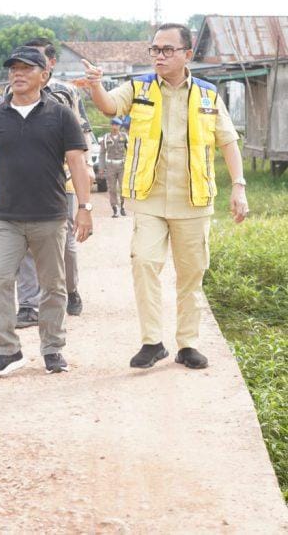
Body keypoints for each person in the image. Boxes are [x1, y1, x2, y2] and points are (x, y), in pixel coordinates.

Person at [82, 23, 249, 370]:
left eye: (167, 49)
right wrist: (96, 86)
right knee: (144, 263)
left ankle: (187, 344)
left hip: (193, 200)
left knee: (191, 274)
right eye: (155, 49)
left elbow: (228, 141)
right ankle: (152, 341)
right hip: (150, 198)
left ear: (187, 53)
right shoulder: (139, 87)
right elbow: (111, 107)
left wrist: (239, 185)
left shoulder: (207, 94)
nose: (159, 55)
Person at [0, 46, 92, 376]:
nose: (18, 74)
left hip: (49, 215)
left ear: (44, 75)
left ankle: (52, 349)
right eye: (13, 69)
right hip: (6, 215)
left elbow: (77, 161)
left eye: (26, 68)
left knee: (53, 285)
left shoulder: (60, 114)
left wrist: (85, 208)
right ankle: (7, 350)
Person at [14, 38, 95, 326]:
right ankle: (27, 305)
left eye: (34, 60)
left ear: (50, 64)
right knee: (24, 243)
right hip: (25, 179)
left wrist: (87, 166)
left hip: (64, 177)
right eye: (21, 62)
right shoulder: (12, 91)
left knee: (66, 245)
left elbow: (82, 129)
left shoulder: (66, 92)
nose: (25, 68)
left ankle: (70, 290)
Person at [99, 117, 128, 217]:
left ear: (120, 126)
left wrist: (130, 165)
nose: (115, 127)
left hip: (122, 165)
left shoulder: (124, 136)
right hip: (110, 166)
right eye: (114, 124)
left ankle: (123, 206)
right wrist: (101, 168)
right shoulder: (106, 137)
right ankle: (115, 208)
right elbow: (102, 153)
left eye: (117, 125)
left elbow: (130, 151)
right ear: (111, 125)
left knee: (123, 188)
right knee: (112, 189)